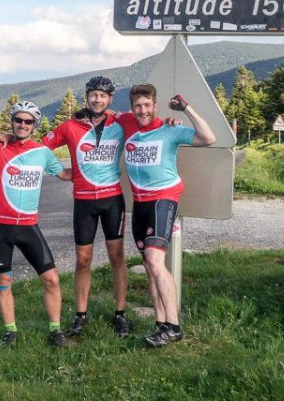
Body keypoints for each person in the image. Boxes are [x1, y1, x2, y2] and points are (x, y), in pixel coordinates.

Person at [0, 89, 73, 348]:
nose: (22, 125)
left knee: (51, 278)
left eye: (28, 121)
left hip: (29, 227)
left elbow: (64, 174)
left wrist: (96, 168)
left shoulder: (41, 152)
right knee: (3, 281)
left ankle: (56, 330)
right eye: (18, 120)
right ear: (12, 122)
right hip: (0, 228)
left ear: (34, 125)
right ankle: (10, 331)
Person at [115, 83, 216, 348]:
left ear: (155, 106)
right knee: (150, 267)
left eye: (147, 105)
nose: (143, 110)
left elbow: (208, 139)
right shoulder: (127, 123)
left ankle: (174, 326)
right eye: (138, 106)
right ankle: (160, 324)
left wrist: (186, 108)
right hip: (140, 204)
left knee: (155, 260)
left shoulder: (170, 130)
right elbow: (103, 112)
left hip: (163, 199)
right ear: (132, 108)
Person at [43, 76, 132, 339]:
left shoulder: (120, 122)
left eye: (103, 96)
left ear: (110, 99)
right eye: (93, 94)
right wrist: (59, 171)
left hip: (112, 200)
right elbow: (39, 147)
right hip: (84, 201)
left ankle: (120, 314)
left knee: (117, 257)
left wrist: (171, 121)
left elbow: (148, 124)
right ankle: (81, 315)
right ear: (87, 97)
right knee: (82, 261)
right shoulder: (71, 126)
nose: (98, 99)